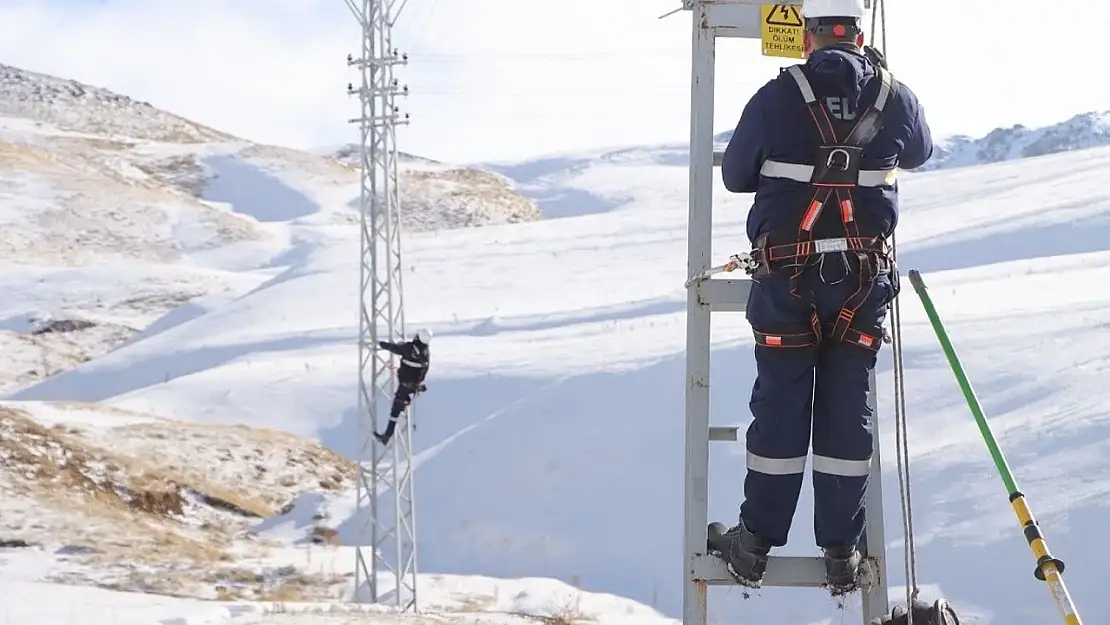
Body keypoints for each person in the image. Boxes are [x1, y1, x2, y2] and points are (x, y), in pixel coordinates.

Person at [707, 0, 934, 596]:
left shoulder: (777, 96)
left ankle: (753, 544)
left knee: (781, 404)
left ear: (805, 36)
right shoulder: (896, 97)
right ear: (859, 32)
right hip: (861, 283)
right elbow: (920, 153)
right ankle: (842, 552)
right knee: (847, 408)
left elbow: (734, 174)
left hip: (788, 281)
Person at [374, 328, 432, 446]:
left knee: (395, 410)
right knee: (398, 407)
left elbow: (395, 348)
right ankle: (386, 436)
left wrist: (380, 344)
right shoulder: (426, 352)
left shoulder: (410, 348)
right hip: (413, 386)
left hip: (405, 385)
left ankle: (386, 436)